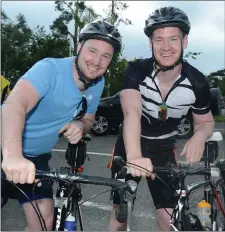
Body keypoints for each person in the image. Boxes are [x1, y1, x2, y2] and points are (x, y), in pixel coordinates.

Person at [1, 19, 122, 231]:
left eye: (106, 56)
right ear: (79, 47)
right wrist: (12, 154)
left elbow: (89, 120)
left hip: (37, 157)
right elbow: (14, 104)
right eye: (92, 51)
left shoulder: (98, 82)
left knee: (44, 221)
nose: (97, 61)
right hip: (6, 146)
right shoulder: (49, 70)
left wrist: (79, 124)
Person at [108, 6, 214, 231]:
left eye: (173, 39)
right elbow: (132, 112)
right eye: (159, 40)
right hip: (130, 145)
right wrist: (135, 156)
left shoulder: (197, 82)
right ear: (150, 44)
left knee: (169, 221)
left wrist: (199, 136)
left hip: (164, 149)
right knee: (119, 218)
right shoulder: (136, 70)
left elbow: (205, 121)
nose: (166, 47)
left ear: (184, 41)